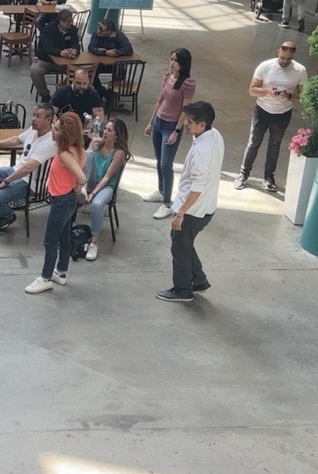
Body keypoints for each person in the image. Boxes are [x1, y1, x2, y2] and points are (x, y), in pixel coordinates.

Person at [156, 101, 224, 302]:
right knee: (184, 244)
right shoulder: (215, 135)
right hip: (206, 206)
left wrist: (180, 213)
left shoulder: (202, 151)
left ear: (203, 125)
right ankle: (199, 280)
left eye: (191, 122)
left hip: (194, 210)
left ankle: (183, 289)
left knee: (179, 247)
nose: (186, 124)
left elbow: (197, 187)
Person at [25, 112, 88, 294]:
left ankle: (45, 278)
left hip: (61, 201)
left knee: (50, 241)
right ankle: (60, 272)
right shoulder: (77, 150)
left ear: (65, 134)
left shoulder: (65, 155)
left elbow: (82, 176)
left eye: (57, 128)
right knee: (64, 237)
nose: (53, 128)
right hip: (67, 200)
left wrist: (78, 187)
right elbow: (83, 162)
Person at [234, 41, 307, 193]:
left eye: (288, 59)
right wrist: (267, 91)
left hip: (283, 113)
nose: (285, 61)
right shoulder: (265, 66)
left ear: (293, 56)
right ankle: (243, 174)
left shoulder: (300, 71)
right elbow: (252, 90)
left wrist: (290, 95)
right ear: (278, 52)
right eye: (282, 58)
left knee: (275, 145)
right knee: (254, 142)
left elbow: (303, 95)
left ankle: (269, 177)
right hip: (262, 110)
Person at [0, 104, 57, 235]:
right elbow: (17, 140)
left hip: (31, 183)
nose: (33, 119)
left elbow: (28, 168)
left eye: (38, 116)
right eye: (33, 115)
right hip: (16, 170)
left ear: (48, 120)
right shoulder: (33, 130)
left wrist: (7, 181)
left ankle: (7, 215)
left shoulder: (50, 142)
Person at [143, 48, 195, 220]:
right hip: (158, 122)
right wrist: (151, 122)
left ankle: (167, 203)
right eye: (171, 59)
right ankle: (161, 190)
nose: (172, 62)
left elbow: (185, 110)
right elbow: (160, 100)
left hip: (171, 126)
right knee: (159, 160)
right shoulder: (167, 76)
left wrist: (176, 131)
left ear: (183, 63)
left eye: (176, 60)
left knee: (166, 164)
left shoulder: (187, 83)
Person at [80, 118, 132, 261]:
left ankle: (93, 242)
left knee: (97, 205)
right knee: (89, 154)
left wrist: (94, 193)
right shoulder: (97, 144)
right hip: (89, 181)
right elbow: (85, 163)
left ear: (117, 135)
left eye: (109, 130)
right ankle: (82, 188)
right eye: (105, 129)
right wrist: (91, 145)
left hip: (106, 186)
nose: (105, 132)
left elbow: (107, 177)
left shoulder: (118, 153)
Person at [30, 8, 81, 102]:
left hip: (65, 62)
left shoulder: (73, 30)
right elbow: (48, 47)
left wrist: (74, 50)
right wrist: (61, 52)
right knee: (35, 70)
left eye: (71, 21)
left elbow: (76, 44)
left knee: (79, 71)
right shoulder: (48, 29)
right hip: (46, 60)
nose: (71, 23)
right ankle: (45, 94)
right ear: (61, 21)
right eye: (68, 21)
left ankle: (62, 90)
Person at [87, 19, 133, 99]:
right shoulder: (97, 33)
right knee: (91, 72)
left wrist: (116, 52)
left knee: (120, 72)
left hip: (114, 65)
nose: (98, 30)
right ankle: (101, 92)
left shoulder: (119, 35)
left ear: (109, 31)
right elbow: (91, 47)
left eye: (101, 29)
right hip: (100, 64)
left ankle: (112, 96)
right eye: (98, 26)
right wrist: (105, 52)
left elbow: (128, 49)